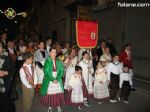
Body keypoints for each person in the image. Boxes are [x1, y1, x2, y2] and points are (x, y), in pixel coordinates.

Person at [40, 47, 65, 112]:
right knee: (50, 94)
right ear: (50, 53)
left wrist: (57, 78)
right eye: (53, 52)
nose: (54, 53)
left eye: (55, 52)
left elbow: (61, 70)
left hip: (57, 78)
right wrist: (53, 79)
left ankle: (58, 106)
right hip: (50, 79)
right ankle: (50, 106)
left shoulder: (58, 61)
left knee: (58, 93)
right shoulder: (47, 61)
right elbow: (46, 72)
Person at [0, 41, 16, 112]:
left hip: (4, 85)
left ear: (2, 47)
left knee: (5, 104)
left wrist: (5, 72)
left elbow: (13, 71)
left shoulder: (7, 57)